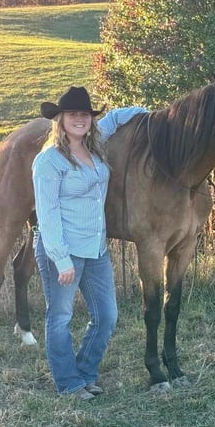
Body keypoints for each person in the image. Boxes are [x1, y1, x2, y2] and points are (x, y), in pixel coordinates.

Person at [32, 85, 145, 400]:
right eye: (73, 115)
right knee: (60, 317)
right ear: (61, 120)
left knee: (107, 315)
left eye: (85, 114)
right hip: (63, 249)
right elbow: (47, 212)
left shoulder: (95, 145)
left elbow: (119, 117)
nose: (80, 119)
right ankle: (68, 384)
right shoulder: (49, 161)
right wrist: (61, 258)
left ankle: (84, 374)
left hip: (95, 248)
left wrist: (151, 115)